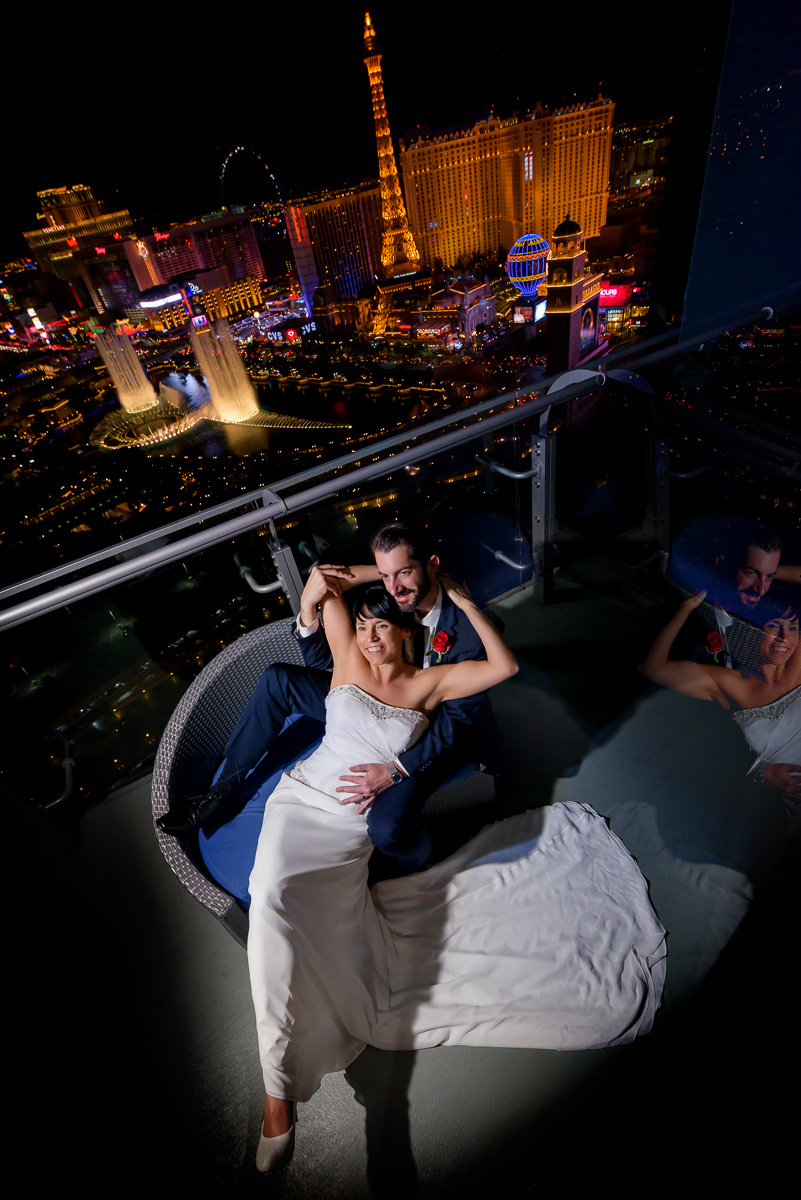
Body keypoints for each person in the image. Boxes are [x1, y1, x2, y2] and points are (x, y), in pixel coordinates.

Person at [249, 570, 667, 1173]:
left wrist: (457, 594)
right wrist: (375, 580)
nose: (369, 638)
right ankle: (276, 1097)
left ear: (403, 634)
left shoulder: (429, 683)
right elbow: (319, 582)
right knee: (269, 904)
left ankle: (283, 1088)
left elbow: (503, 667)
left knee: (290, 918)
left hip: (344, 835)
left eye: (381, 627)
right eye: (364, 627)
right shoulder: (344, 655)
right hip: (299, 807)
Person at [159, 521, 502, 878]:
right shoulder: (390, 598)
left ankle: (421, 859)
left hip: (423, 733)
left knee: (386, 829)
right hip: (374, 696)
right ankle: (221, 793)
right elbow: (327, 646)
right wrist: (308, 608)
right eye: (385, 575)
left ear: (431, 565)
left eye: (405, 573)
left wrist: (396, 769)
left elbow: (453, 724)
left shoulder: (468, 634)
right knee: (279, 679)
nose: (395, 587)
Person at [640, 584, 801, 810]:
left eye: (793, 628)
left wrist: (769, 574)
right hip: (778, 811)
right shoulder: (730, 682)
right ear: (752, 629)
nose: (784, 638)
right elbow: (653, 668)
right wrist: (687, 607)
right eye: (773, 626)